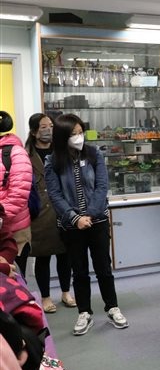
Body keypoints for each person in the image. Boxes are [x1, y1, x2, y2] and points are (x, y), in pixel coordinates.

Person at [44, 113, 128, 336]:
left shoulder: (94, 154)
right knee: (79, 271)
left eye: (80, 132)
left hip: (97, 221)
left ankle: (112, 307)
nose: (78, 137)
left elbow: (102, 186)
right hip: (71, 226)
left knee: (103, 268)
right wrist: (75, 218)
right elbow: (55, 195)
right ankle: (84, 312)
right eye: (73, 134)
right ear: (62, 137)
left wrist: (89, 214)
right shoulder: (52, 161)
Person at [25, 113, 76, 314]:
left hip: (63, 208)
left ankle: (65, 292)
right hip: (40, 213)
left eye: (51, 126)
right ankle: (45, 297)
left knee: (65, 255)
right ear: (34, 131)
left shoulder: (62, 151)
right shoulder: (25, 155)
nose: (49, 130)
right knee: (43, 257)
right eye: (44, 127)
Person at [0, 111, 32, 279]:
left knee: (15, 279)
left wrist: (1, 218)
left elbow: (19, 193)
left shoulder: (15, 152)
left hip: (14, 231)